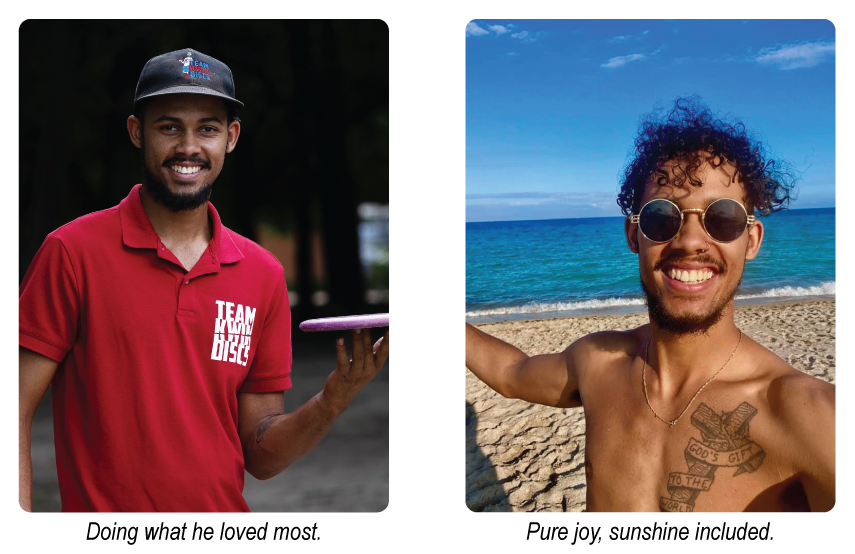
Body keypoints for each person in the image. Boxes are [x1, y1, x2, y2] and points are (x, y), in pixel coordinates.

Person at [18, 48, 389, 513]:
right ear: (138, 133)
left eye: (207, 128)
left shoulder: (262, 275)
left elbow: (260, 455)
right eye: (169, 126)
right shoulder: (71, 253)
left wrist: (335, 397)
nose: (188, 147)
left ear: (230, 138)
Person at [465, 96, 835, 513]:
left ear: (750, 240)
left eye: (722, 218)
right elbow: (512, 374)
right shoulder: (597, 364)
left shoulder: (807, 417)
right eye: (662, 217)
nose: (691, 241)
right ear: (632, 235)